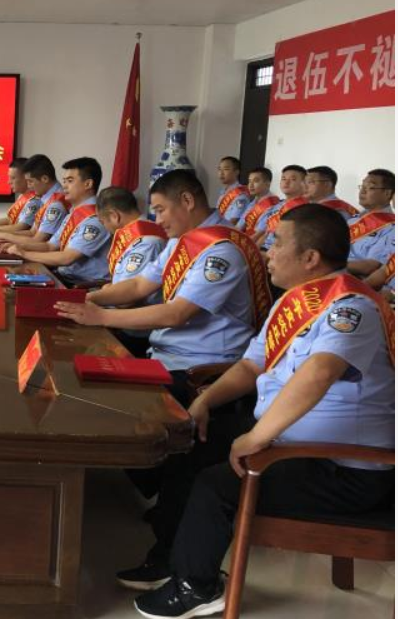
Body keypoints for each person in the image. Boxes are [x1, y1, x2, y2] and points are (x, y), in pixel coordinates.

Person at [126, 204, 394, 619]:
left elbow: (320, 372)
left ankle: (195, 586)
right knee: (189, 440)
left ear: (310, 257)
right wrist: (206, 401)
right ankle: (169, 555)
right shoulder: (295, 303)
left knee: (215, 484)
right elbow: (252, 366)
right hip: (289, 440)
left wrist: (255, 437)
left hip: (340, 468)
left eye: (278, 243)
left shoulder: (351, 307)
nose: (267, 251)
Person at [56, 170, 271, 404]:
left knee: (97, 395)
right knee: (75, 369)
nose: (157, 220)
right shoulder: (182, 239)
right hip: (164, 355)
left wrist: (101, 316)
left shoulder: (222, 250)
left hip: (196, 368)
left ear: (187, 201)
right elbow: (139, 285)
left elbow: (176, 314)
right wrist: (89, 299)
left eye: (160, 210)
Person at [5, 157, 111, 284]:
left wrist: (23, 253)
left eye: (70, 181)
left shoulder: (96, 219)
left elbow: (67, 258)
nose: (64, 186)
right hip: (62, 277)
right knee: (8, 276)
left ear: (88, 184)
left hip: (80, 285)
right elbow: (49, 246)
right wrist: (19, 247)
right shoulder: (74, 214)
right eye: (64, 181)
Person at [93, 186, 168, 357]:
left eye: (103, 222)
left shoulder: (147, 241)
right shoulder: (134, 235)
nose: (104, 227)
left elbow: (126, 301)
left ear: (114, 216)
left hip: (136, 332)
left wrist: (105, 291)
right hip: (120, 321)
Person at [0, 154, 67, 244]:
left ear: (45, 179)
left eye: (30, 181)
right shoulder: (47, 198)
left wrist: (3, 235)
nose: (28, 186)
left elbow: (38, 240)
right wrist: (1, 234)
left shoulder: (55, 204)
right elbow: (32, 232)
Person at [347, 168, 395, 278]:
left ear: (387, 193)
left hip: (354, 281)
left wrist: (330, 265)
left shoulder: (391, 227)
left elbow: (370, 267)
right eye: (362, 186)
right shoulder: (352, 220)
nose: (363, 191)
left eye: (370, 187)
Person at [252, 165, 307, 251]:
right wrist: (253, 251)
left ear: (304, 184)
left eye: (293, 179)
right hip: (263, 249)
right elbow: (264, 232)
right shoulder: (277, 205)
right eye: (283, 179)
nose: (286, 182)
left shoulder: (304, 209)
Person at [235, 167, 279, 236]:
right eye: (249, 181)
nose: (250, 185)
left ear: (267, 184)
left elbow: (260, 233)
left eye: (256, 181)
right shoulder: (253, 202)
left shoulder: (273, 204)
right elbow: (239, 226)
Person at [214, 156, 249, 225]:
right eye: (219, 169)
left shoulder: (241, 194)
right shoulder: (223, 191)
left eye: (226, 169)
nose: (221, 173)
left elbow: (234, 221)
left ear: (236, 172)